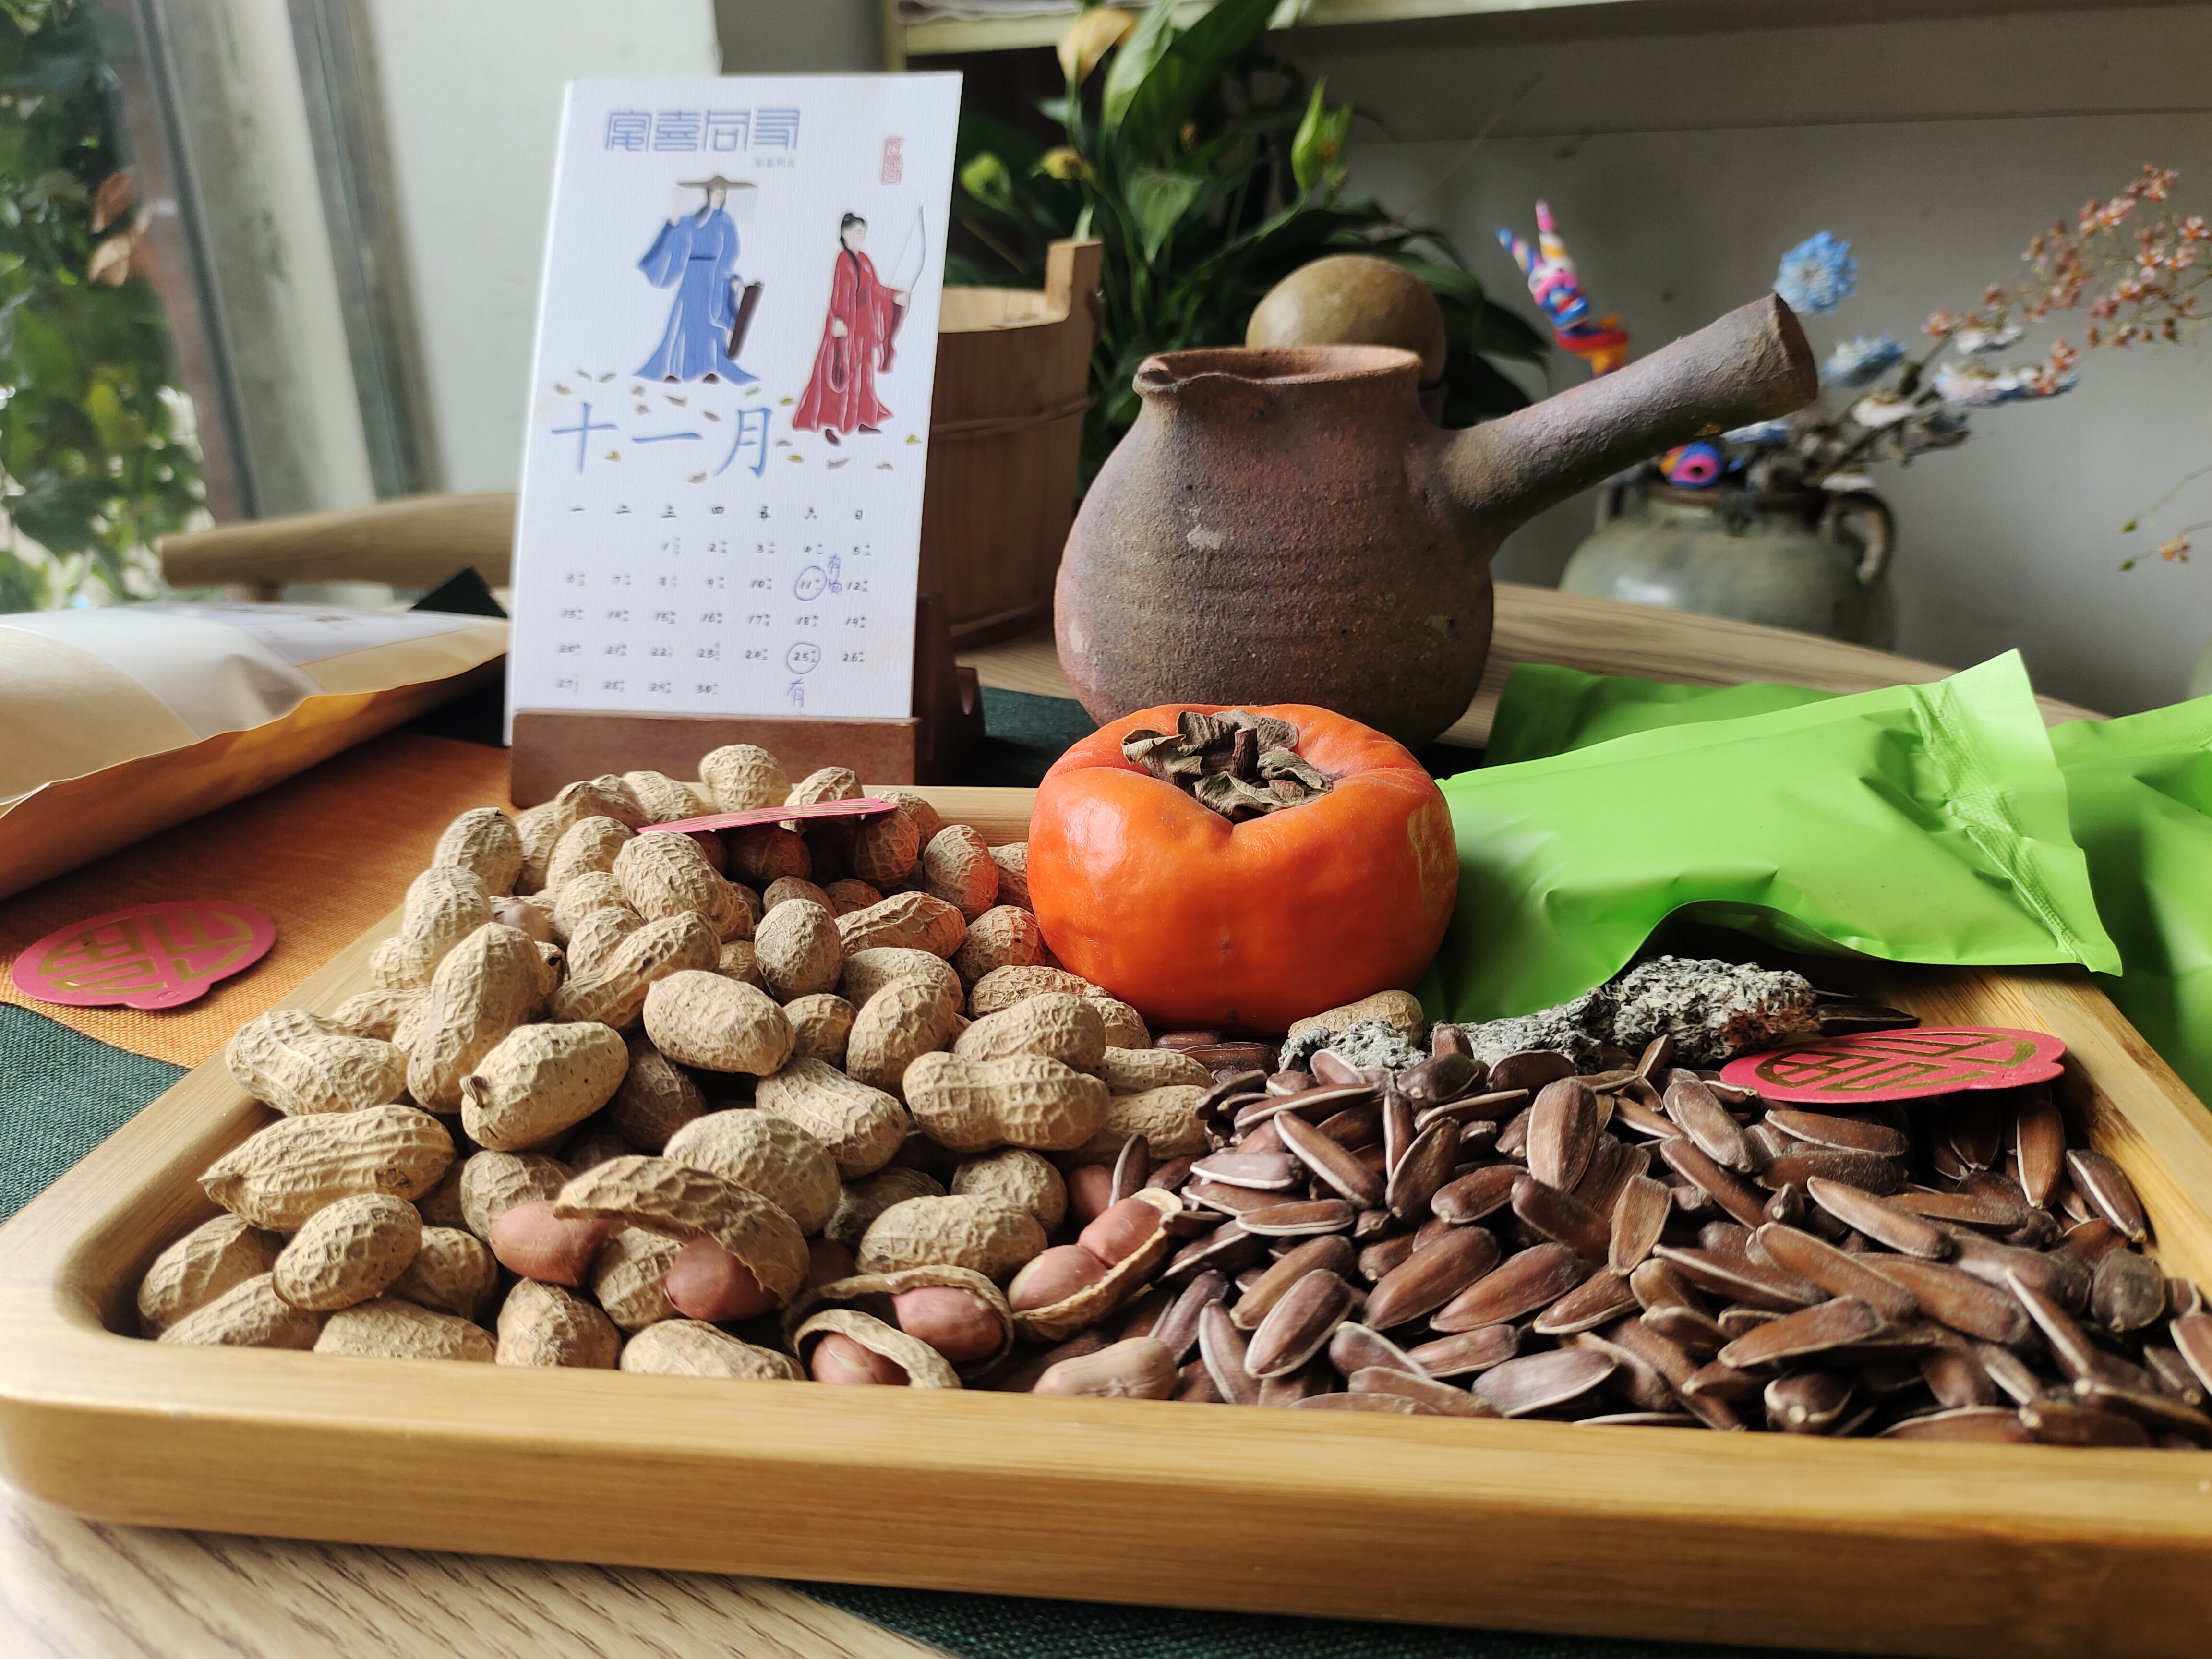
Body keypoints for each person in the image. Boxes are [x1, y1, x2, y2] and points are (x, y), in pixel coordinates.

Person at [792, 213, 907, 445]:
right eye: (856, 232)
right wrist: (837, 320)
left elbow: (875, 288)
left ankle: (860, 417)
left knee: (862, 373)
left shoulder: (864, 259)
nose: (859, 237)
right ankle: (831, 422)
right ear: (845, 233)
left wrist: (895, 295)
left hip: (863, 325)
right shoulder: (843, 260)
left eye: (862, 232)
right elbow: (838, 294)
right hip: (845, 324)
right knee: (838, 372)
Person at [636, 176, 756, 384]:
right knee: (684, 320)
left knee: (708, 323)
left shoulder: (725, 222)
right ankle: (675, 368)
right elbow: (676, 229)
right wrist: (681, 208)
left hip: (714, 277)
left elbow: (730, 253)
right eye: (716, 194)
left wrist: (731, 279)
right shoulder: (692, 221)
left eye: (722, 195)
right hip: (692, 275)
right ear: (708, 195)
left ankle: (708, 367)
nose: (719, 198)